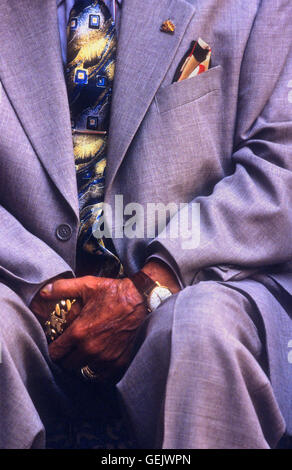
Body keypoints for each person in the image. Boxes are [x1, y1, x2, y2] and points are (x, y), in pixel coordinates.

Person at [0, 0, 292, 449]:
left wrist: (152, 285)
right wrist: (40, 287)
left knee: (201, 329)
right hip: (23, 294)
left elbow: (282, 165)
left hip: (202, 283)